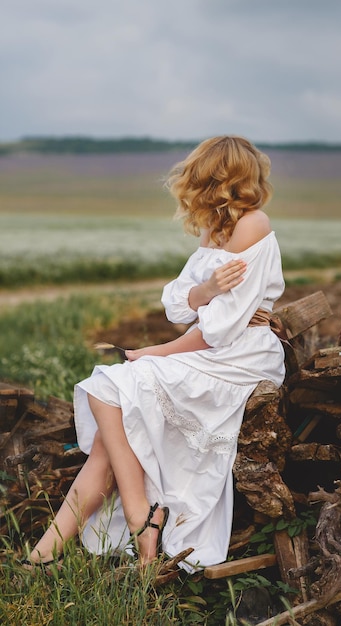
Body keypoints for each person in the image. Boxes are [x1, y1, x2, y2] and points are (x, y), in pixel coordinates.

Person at [22, 135, 286, 572]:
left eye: (199, 176)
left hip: (239, 357)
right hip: (210, 347)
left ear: (220, 178)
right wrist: (205, 290)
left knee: (107, 388)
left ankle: (137, 515)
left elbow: (217, 329)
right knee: (108, 428)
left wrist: (154, 351)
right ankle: (47, 555)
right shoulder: (216, 228)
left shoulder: (252, 224)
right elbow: (179, 302)